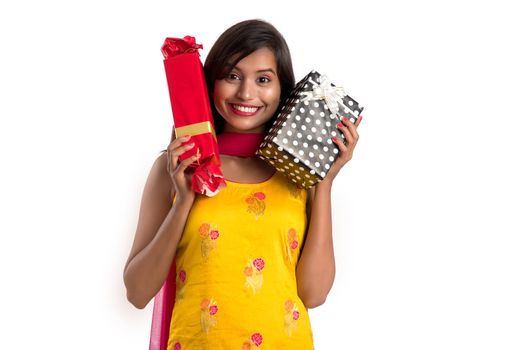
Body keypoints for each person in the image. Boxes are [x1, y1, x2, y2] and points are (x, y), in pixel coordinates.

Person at [123, 19, 363, 349]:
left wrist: (324, 181)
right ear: (211, 83)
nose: (246, 93)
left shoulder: (298, 176)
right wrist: (183, 201)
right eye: (232, 76)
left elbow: (314, 293)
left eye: (263, 79)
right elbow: (136, 292)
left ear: (282, 90)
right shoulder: (176, 169)